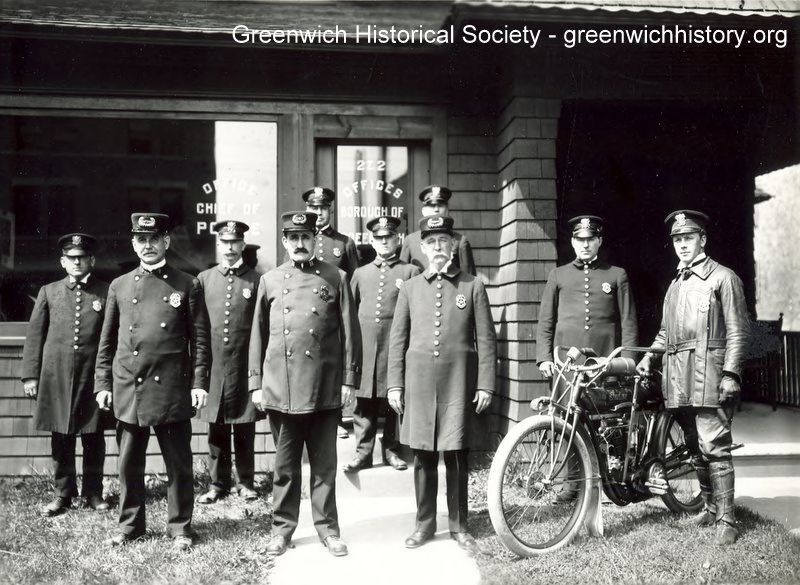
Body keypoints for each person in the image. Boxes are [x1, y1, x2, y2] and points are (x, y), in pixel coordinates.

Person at [249, 211, 361, 558]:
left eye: (306, 237)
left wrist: (349, 380)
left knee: (324, 466)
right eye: (293, 238)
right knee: (285, 468)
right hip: (281, 387)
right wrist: (256, 383)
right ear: (284, 241)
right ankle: (282, 530)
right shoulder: (269, 280)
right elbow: (257, 336)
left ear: (315, 240)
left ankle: (328, 530)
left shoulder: (336, 277)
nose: (299, 243)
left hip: (324, 387)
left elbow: (350, 333)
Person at [95, 213, 210, 551]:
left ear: (166, 242)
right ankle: (130, 526)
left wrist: (199, 382)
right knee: (128, 462)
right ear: (134, 244)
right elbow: (107, 341)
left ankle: (180, 528)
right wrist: (103, 384)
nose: (148, 245)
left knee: (179, 464)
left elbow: (200, 341)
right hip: (130, 386)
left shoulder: (187, 284)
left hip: (171, 387)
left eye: (154, 239)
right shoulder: (119, 286)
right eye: (141, 240)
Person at [637, 210, 749, 546]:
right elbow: (665, 332)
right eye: (677, 240)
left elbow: (739, 332)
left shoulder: (723, 278)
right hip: (679, 379)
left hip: (710, 375)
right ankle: (710, 509)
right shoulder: (675, 285)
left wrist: (731, 373)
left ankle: (727, 520)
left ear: (703, 239)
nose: (683, 245)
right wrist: (650, 355)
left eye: (688, 238)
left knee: (714, 445)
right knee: (693, 446)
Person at [387, 215, 496, 552]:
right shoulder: (410, 288)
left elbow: (486, 340)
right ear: (422, 247)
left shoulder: (472, 286)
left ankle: (459, 525)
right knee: (422, 455)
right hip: (419, 384)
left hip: (458, 383)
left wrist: (485, 385)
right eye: (431, 242)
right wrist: (395, 385)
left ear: (453, 246)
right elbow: (397, 340)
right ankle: (424, 524)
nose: (438, 247)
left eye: (443, 241)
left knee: (457, 454)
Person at [21, 233, 111, 516]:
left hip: (91, 377)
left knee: (93, 435)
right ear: (63, 262)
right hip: (56, 377)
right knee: (61, 436)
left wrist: (107, 380)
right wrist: (30, 376)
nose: (77, 262)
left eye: (82, 258)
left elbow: (113, 337)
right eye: (71, 258)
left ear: (91, 260)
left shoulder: (106, 292)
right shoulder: (49, 292)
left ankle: (93, 493)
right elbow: (35, 336)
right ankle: (63, 493)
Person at [342, 216, 421, 473]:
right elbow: (349, 313)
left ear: (398, 240)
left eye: (389, 237)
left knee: (393, 403)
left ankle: (391, 451)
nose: (384, 242)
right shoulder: (361, 273)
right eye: (379, 238)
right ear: (372, 241)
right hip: (366, 348)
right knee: (363, 403)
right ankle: (363, 453)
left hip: (395, 348)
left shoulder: (410, 272)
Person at [196, 221, 261, 504]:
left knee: (245, 426)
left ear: (243, 245)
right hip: (215, 367)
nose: (231, 248)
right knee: (216, 426)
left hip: (244, 365)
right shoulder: (204, 279)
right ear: (218, 245)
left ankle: (245, 482)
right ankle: (217, 484)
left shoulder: (256, 280)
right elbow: (198, 327)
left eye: (235, 242)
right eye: (225, 242)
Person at [536, 215, 638, 374]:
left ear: (600, 241)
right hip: (566, 357)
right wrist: (544, 358)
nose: (585, 245)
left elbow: (628, 322)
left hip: (605, 355)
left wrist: (627, 361)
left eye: (590, 239)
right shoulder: (557, 275)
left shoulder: (617, 274)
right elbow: (545, 321)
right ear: (572, 242)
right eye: (580, 239)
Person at [301, 186, 358, 439]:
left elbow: (353, 283)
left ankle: (334, 420)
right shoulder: (300, 240)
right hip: (305, 315)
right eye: (314, 208)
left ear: (330, 211)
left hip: (333, 316)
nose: (319, 212)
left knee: (332, 367)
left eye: (323, 208)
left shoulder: (344, 243)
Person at [400, 185, 476, 276]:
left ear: (447, 210)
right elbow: (403, 275)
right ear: (423, 211)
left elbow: (468, 277)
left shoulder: (460, 240)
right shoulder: (410, 240)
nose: (436, 209)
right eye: (431, 206)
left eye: (440, 205)